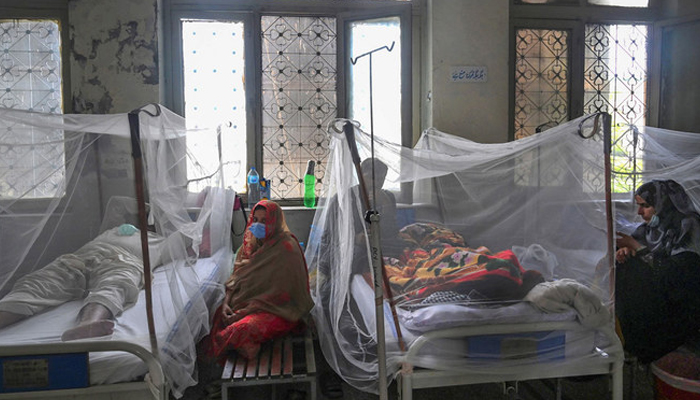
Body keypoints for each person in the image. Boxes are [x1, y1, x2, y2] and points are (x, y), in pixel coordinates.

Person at [0, 223, 172, 341]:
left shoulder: (163, 242)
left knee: (115, 285)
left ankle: (87, 324)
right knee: (40, 283)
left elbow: (192, 240)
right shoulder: (114, 230)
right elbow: (116, 203)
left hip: (125, 262)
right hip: (81, 257)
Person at [208, 199, 313, 360]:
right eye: (255, 220)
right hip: (247, 304)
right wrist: (226, 304)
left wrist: (246, 311)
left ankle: (247, 342)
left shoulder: (287, 248)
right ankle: (248, 343)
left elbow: (283, 295)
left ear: (275, 222)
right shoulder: (250, 244)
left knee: (239, 329)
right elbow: (236, 278)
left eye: (265, 221)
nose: (258, 225)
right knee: (218, 318)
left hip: (278, 310)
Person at [615, 179, 700, 363]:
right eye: (639, 206)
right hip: (658, 293)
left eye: (645, 206)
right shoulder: (651, 228)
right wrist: (626, 252)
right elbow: (644, 255)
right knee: (623, 268)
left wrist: (636, 247)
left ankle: (640, 339)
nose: (639, 212)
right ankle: (624, 333)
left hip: (680, 302)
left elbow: (678, 273)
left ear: (662, 204)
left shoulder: (688, 225)